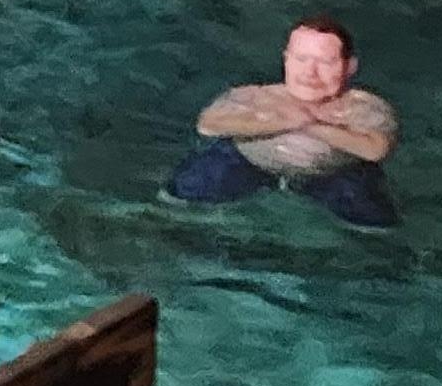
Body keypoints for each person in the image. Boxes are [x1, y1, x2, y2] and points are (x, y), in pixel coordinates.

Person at [170, 20, 399, 229]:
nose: (310, 72)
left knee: (374, 221)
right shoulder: (257, 96)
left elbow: (375, 150)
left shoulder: (362, 106)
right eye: (301, 59)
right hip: (251, 162)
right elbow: (208, 125)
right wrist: (280, 121)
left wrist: (310, 125)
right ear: (286, 59)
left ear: (349, 66)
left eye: (325, 62)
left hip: (331, 172)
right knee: (185, 191)